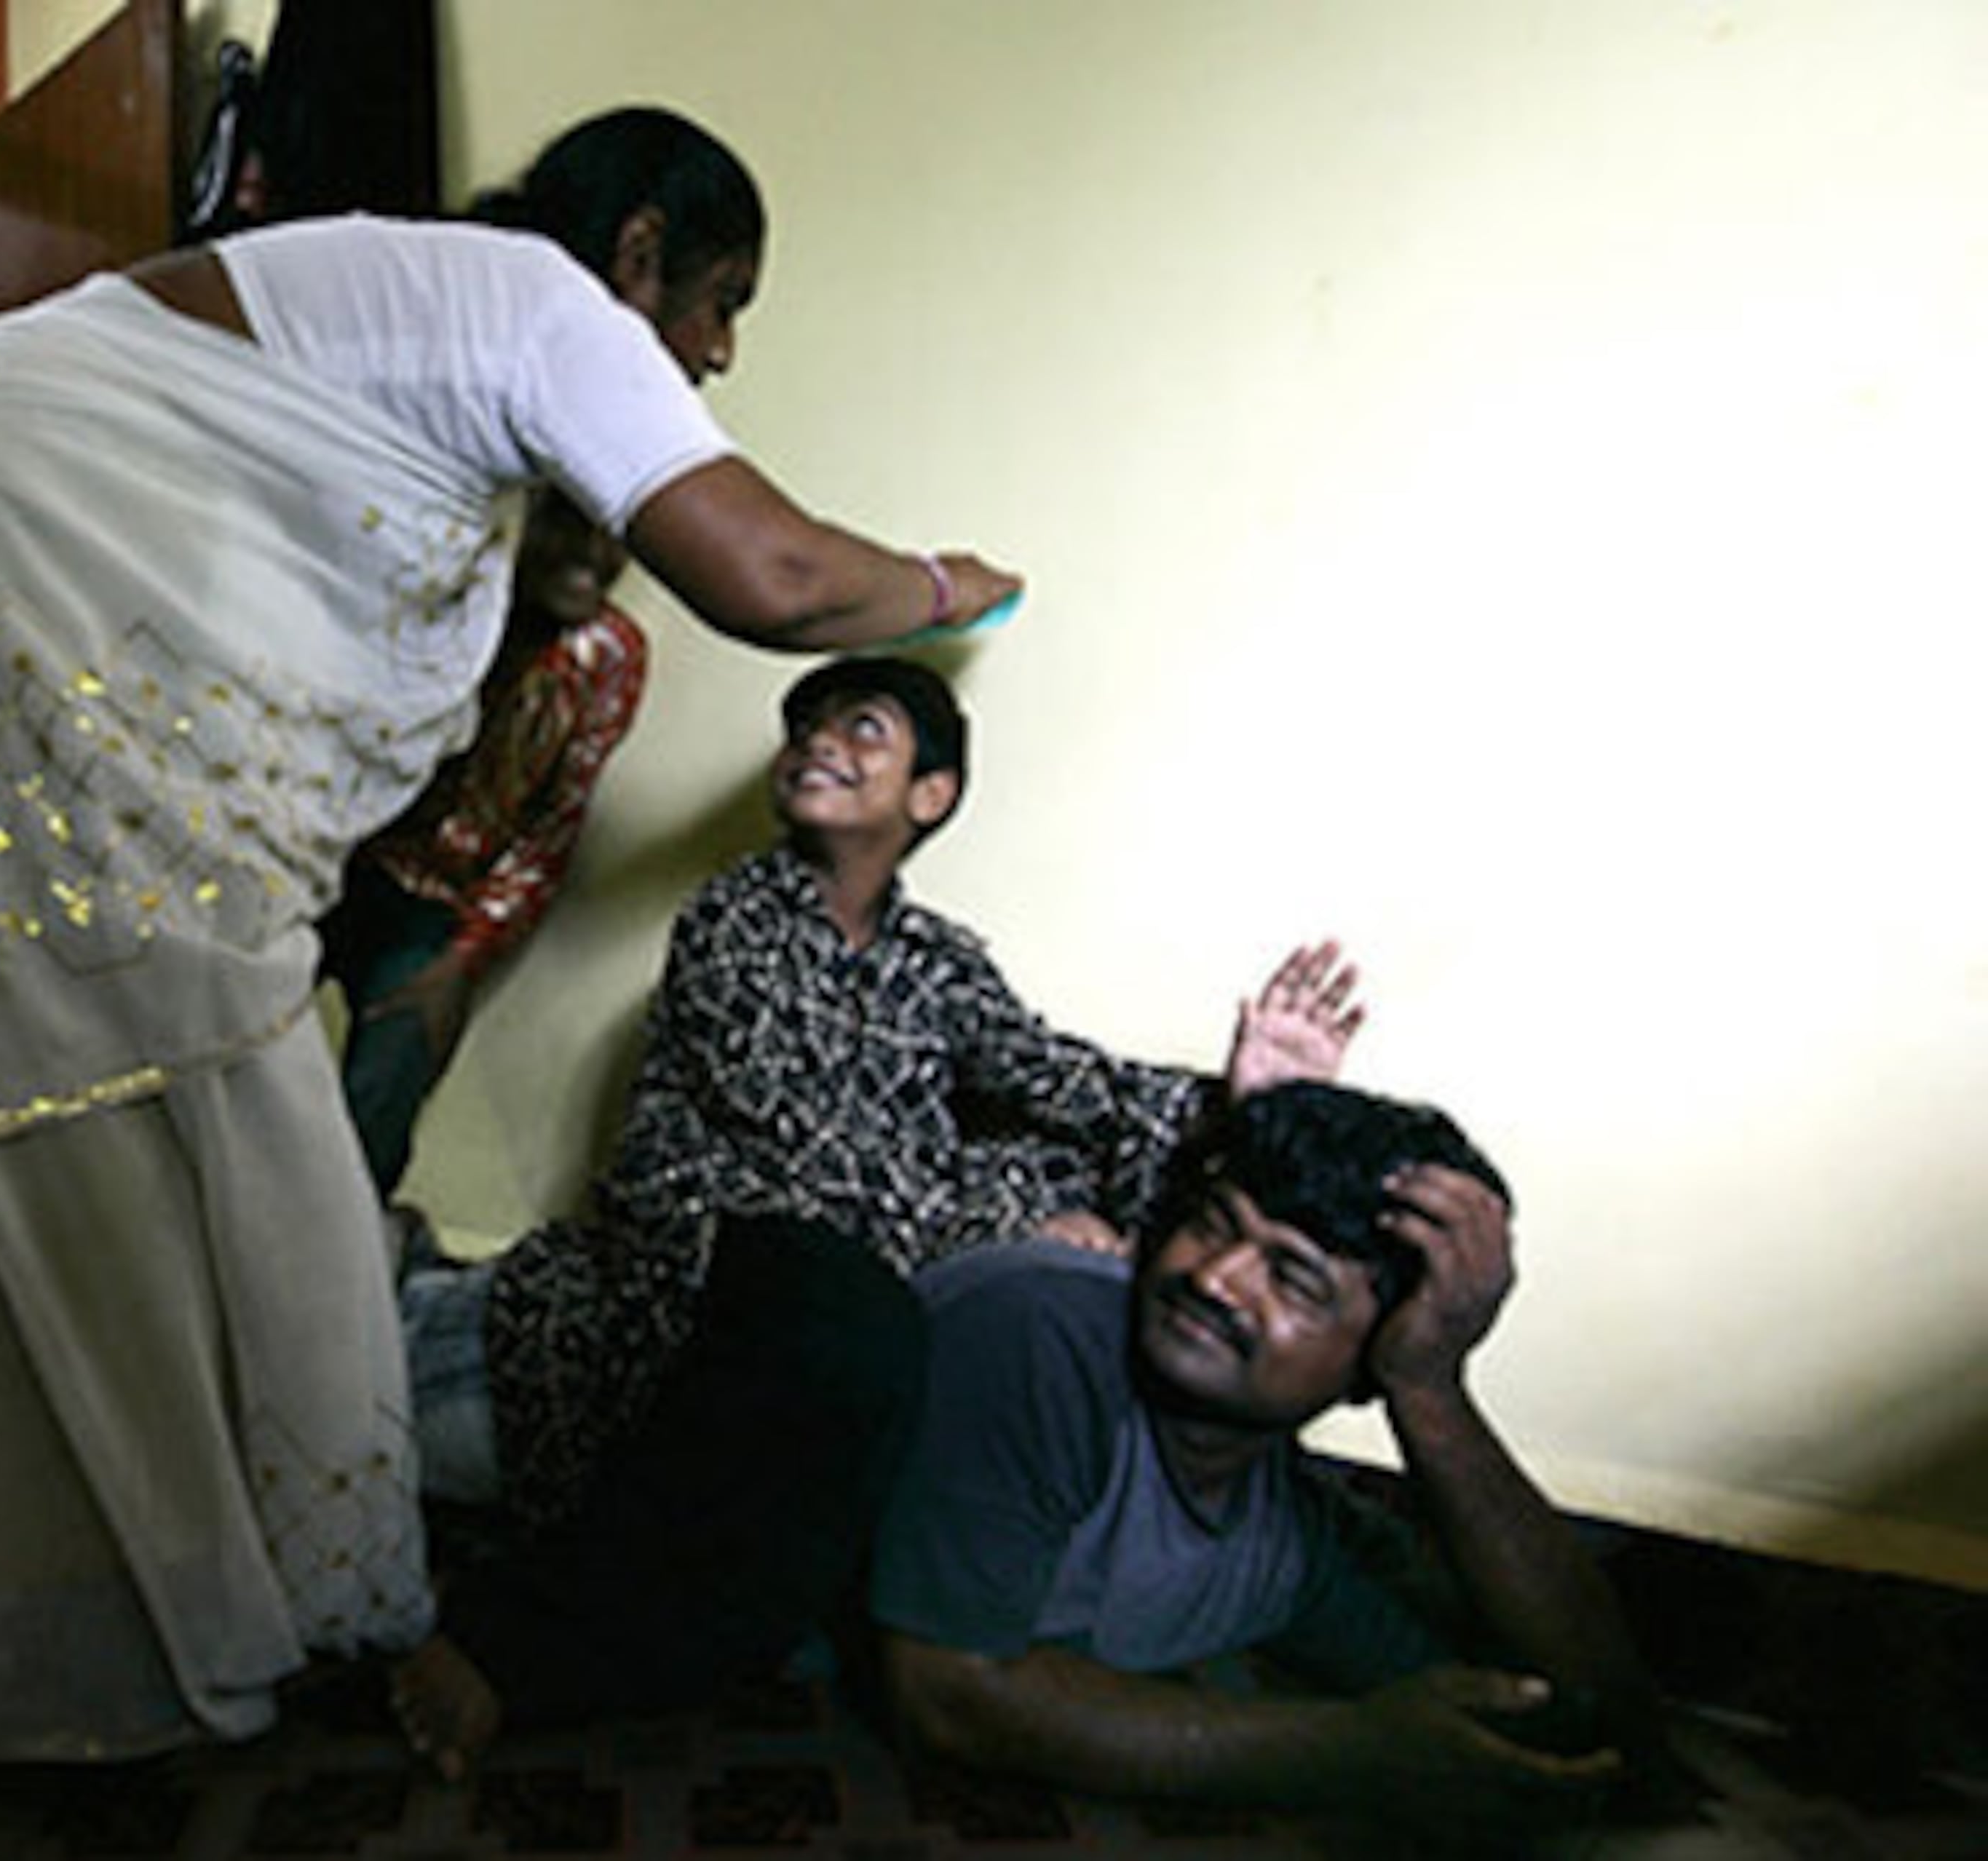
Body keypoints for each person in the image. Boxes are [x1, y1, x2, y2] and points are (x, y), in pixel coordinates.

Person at [0, 106, 1023, 1764]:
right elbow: (769, 575)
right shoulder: (540, 299)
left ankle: (72, 1627)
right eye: (718, 300)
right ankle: (152, 1634)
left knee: (33, 1065)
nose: (707, 355)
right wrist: (946, 583)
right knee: (142, 1071)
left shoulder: (402, 301)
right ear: (638, 247)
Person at [388, 656, 1362, 1774]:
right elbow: (815, 1165)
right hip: (644, 1319)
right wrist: (1017, 1223)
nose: (817, 743)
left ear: (930, 796)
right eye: (803, 725)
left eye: (863, 727)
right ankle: (507, 1639)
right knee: (299, 1383)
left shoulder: (941, 965)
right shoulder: (737, 922)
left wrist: (1234, 1106)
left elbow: (1066, 1088)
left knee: (1003, 1225)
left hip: (811, 1352)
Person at [871, 1080, 1663, 1828]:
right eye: (1214, 1223)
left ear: (1373, 1358)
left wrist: (1430, 1387)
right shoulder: (1043, 1330)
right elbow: (945, 1691)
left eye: (1294, 1279)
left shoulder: (1281, 1534)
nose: (1216, 1278)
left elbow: (1590, 1716)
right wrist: (1347, 1751)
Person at [319, 485, 645, 1196]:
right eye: (567, 523)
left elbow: (551, 831)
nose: (592, 553)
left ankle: (330, 1262)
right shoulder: (438, 594)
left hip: (434, 898)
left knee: (395, 1065)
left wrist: (464, 956)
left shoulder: (606, 655)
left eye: (614, 534)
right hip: (323, 855)